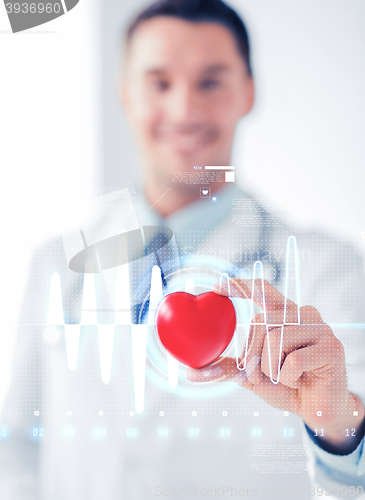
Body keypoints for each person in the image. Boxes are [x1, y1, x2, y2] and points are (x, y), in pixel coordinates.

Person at [1, 0, 365, 498]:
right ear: (125, 93)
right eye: (159, 82)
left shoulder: (328, 269)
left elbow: (355, 467)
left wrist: (339, 428)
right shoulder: (57, 260)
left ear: (248, 92)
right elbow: (17, 446)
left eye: (211, 81)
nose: (184, 110)